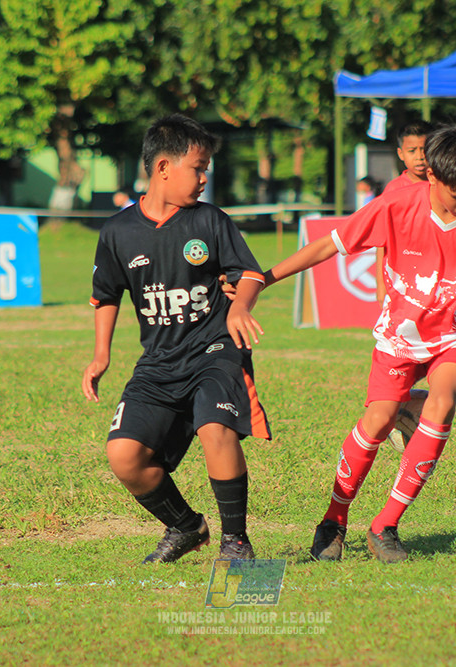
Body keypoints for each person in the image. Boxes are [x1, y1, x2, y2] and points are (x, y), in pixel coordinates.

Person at [259, 119, 456, 564]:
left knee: (442, 403)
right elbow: (328, 246)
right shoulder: (394, 205)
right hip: (400, 335)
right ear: (433, 176)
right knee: (377, 421)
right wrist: (265, 278)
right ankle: (334, 519)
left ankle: (386, 525)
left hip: (454, 334)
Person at [83, 114, 271, 564]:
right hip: (159, 359)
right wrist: (100, 355)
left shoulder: (209, 221)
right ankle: (186, 526)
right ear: (164, 167)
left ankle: (236, 543)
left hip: (215, 349)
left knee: (215, 429)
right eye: (199, 167)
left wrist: (241, 304)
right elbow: (106, 294)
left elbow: (247, 273)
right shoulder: (117, 232)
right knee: (125, 456)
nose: (205, 178)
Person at [376, 121, 434, 305]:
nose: (420, 157)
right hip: (403, 280)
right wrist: (380, 285)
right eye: (412, 151)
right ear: (401, 154)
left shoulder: (443, 186)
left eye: (424, 150)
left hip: (437, 275)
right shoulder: (393, 191)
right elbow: (381, 241)